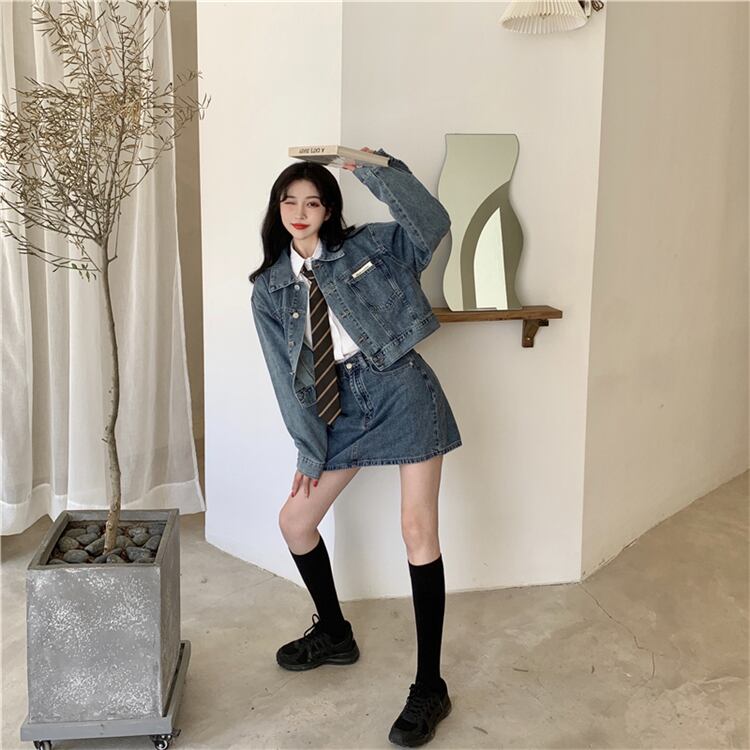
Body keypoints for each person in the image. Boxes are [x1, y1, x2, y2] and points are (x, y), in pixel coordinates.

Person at [248, 146, 462, 747]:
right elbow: (285, 378)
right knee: (296, 521)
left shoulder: (371, 246)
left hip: (400, 387)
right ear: (277, 209)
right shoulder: (268, 288)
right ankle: (336, 633)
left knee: (417, 531)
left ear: (329, 210)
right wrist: (308, 447)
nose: (300, 211)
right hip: (335, 407)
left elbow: (432, 223)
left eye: (313, 202)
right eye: (289, 201)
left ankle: (430, 686)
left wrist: (369, 164)